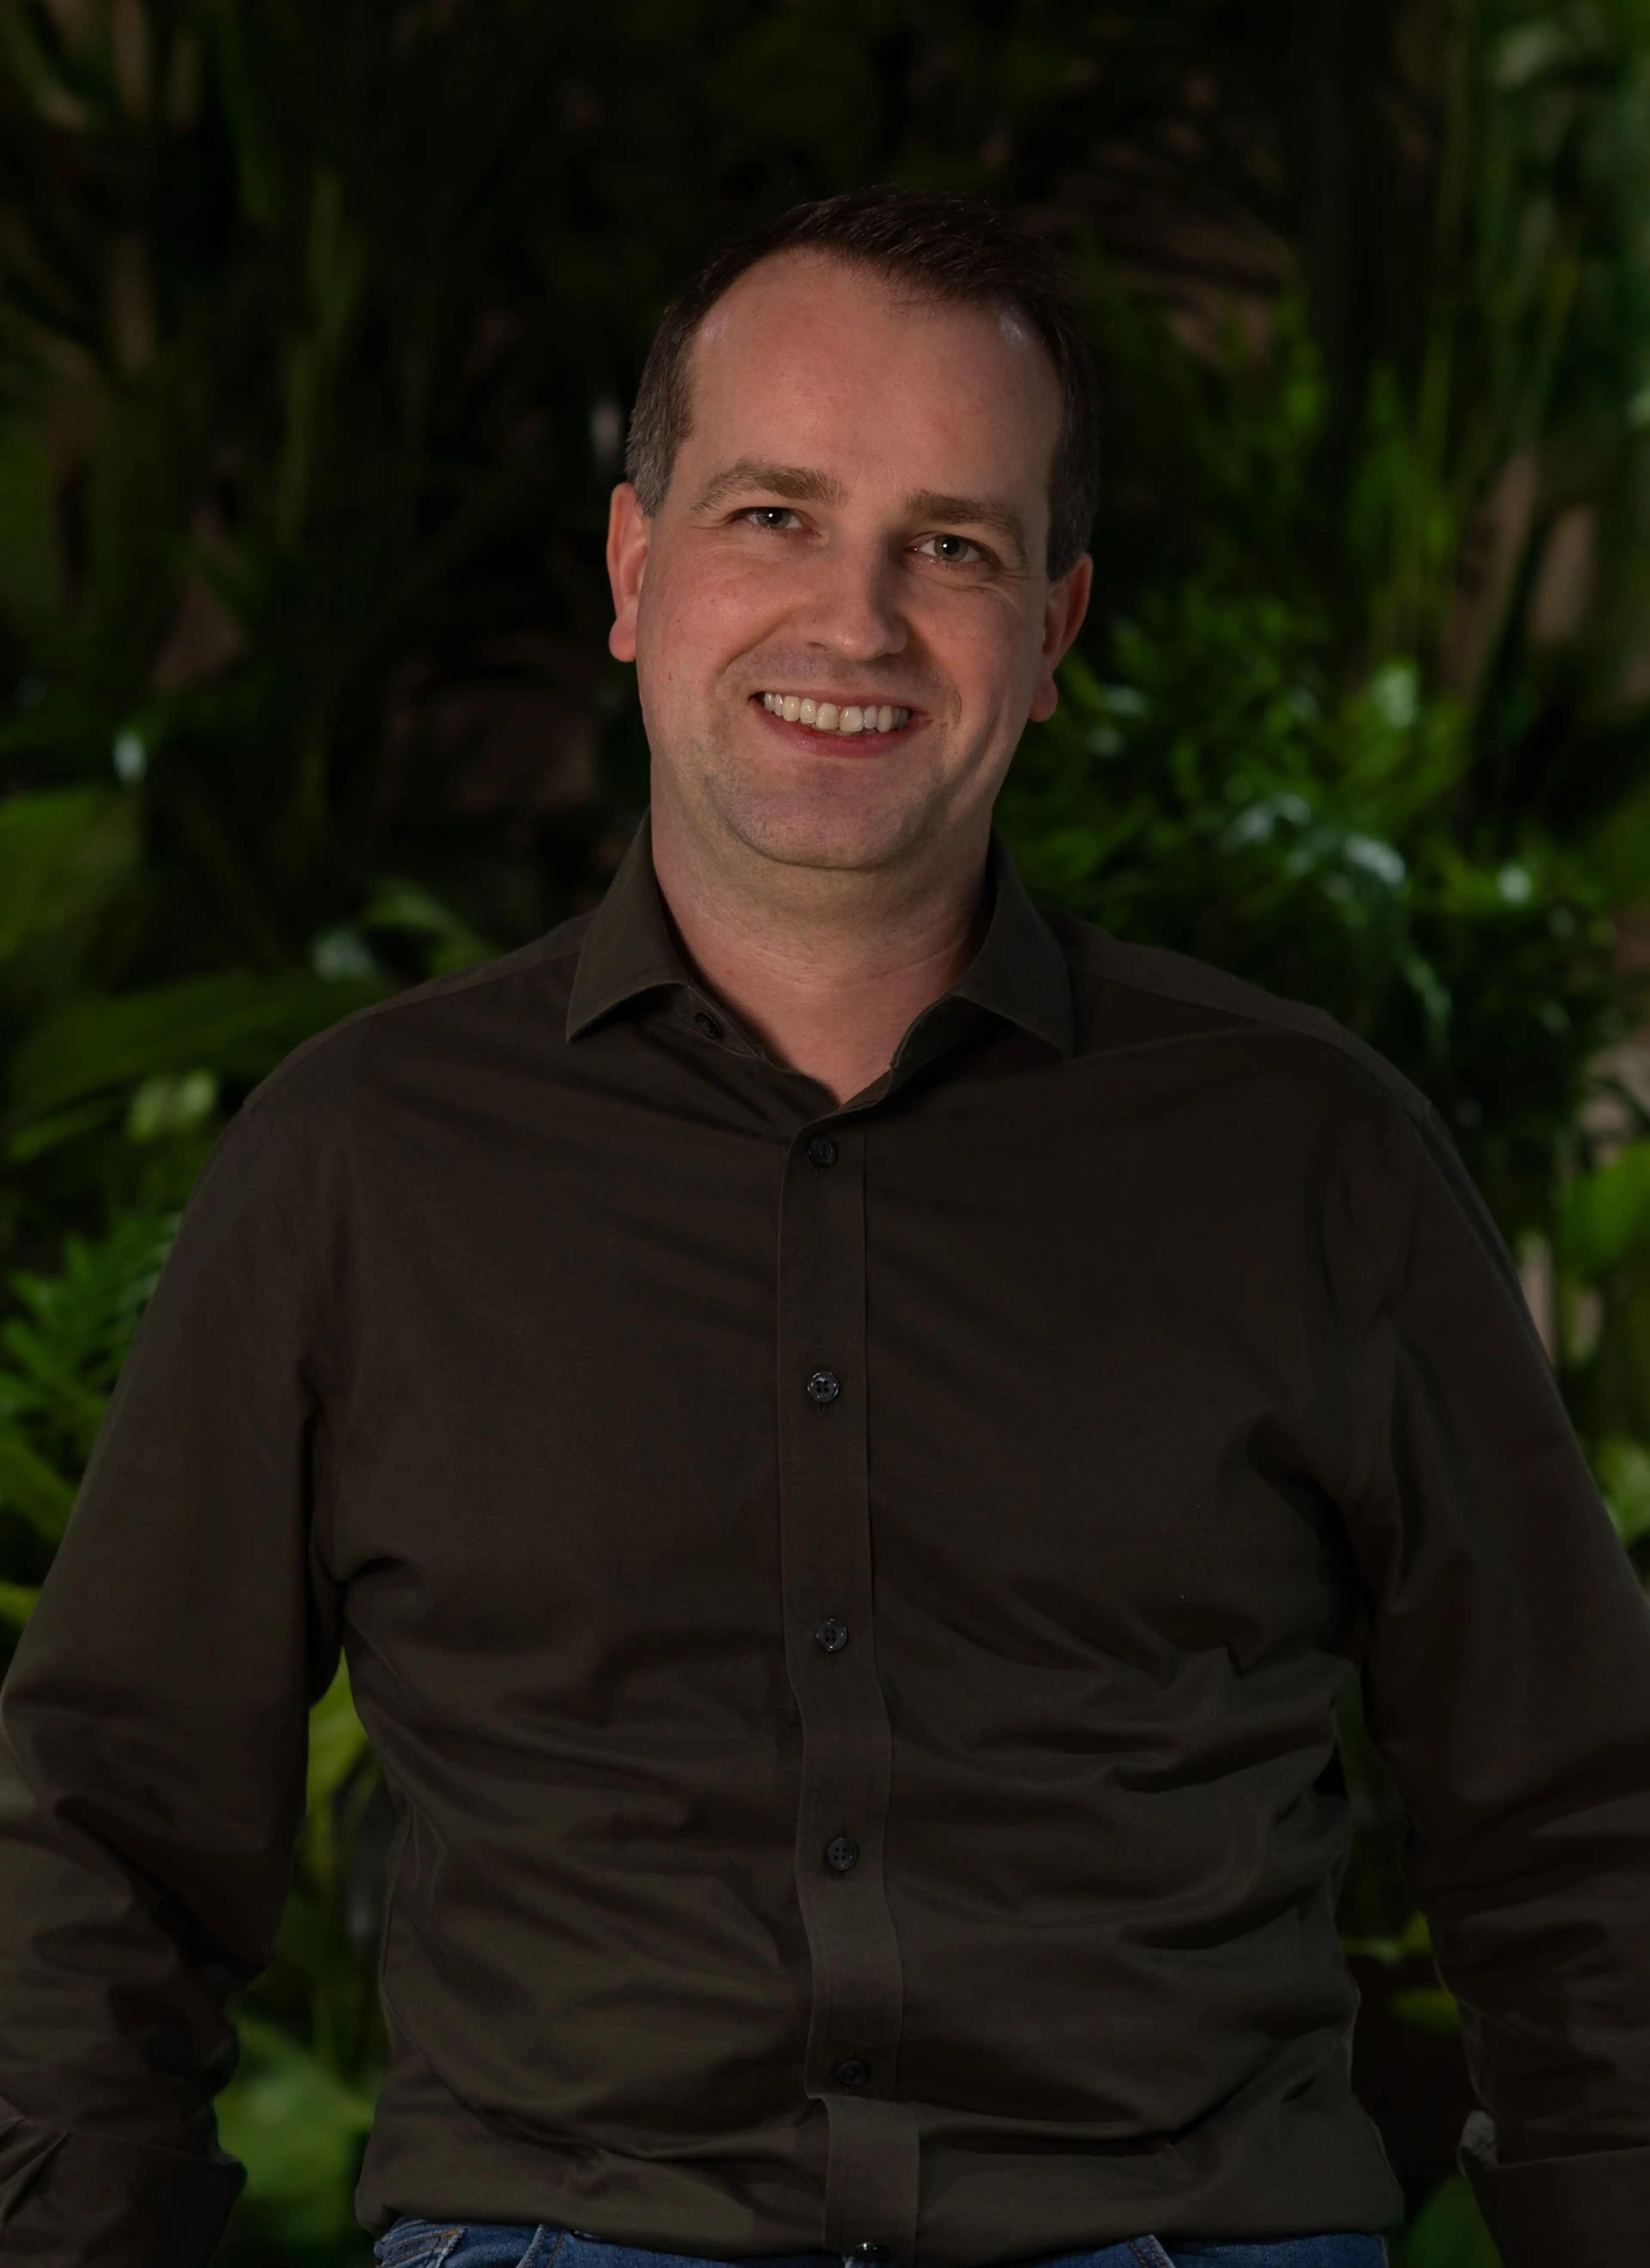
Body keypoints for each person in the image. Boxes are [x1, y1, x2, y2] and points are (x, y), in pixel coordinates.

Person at [0, 189, 1646, 2268]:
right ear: (633, 572)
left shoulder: (1310, 1156)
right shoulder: (362, 1163)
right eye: (774, 514)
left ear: (1047, 635)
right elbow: (103, 1828)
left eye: (949, 545)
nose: (854, 622)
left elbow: (1581, 1818)